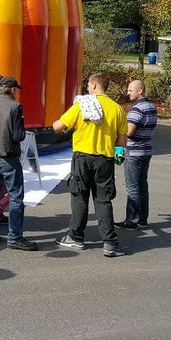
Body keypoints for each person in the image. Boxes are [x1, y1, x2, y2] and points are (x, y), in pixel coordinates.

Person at [52, 72, 127, 257]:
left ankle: (76, 237)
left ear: (94, 85)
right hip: (105, 159)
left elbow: (58, 127)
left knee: (79, 197)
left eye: (88, 85)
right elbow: (123, 141)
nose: (87, 88)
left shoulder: (81, 105)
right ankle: (110, 243)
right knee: (103, 200)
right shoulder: (117, 109)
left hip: (82, 158)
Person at [0, 77, 36, 250]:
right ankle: (15, 237)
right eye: (16, 89)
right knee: (16, 196)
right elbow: (18, 135)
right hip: (8, 155)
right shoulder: (15, 106)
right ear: (12, 90)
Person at [116, 80, 157, 230]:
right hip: (147, 151)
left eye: (130, 90)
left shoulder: (137, 110)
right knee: (142, 185)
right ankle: (142, 218)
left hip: (134, 152)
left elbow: (128, 132)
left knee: (132, 187)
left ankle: (131, 220)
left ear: (140, 91)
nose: (128, 93)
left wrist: (117, 135)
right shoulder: (152, 107)